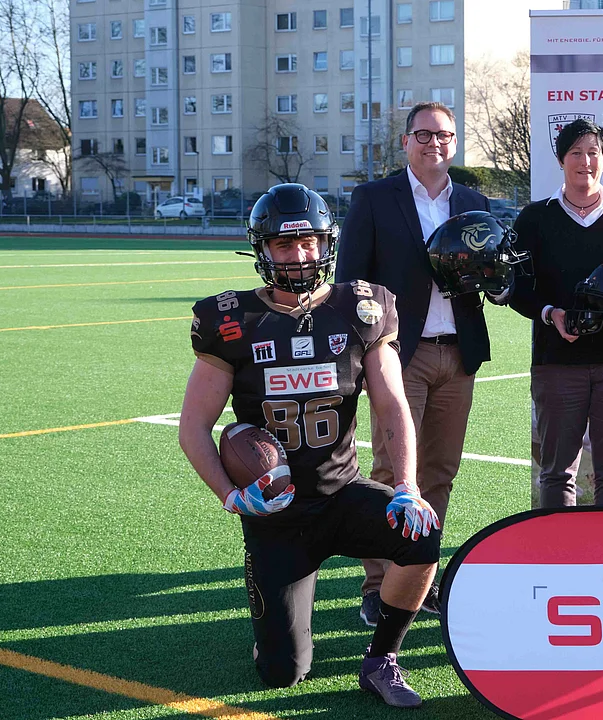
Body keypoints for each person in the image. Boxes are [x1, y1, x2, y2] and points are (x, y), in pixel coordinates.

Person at [178, 184, 441, 707]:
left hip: (340, 492)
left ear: (327, 244)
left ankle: (381, 659)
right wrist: (230, 497)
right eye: (284, 245)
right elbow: (193, 429)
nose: (300, 257)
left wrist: (407, 486)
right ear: (261, 249)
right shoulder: (230, 321)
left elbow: (391, 405)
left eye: (310, 244)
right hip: (277, 512)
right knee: (282, 674)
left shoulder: (360, 308)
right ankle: (278, 631)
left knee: (421, 535)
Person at [335, 101, 490, 624]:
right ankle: (379, 586)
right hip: (399, 355)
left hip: (459, 354)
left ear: (454, 141)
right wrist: (363, 351)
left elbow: (487, 272)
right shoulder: (375, 198)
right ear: (406, 142)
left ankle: (417, 578)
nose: (434, 144)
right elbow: (350, 280)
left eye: (444, 135)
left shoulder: (473, 200)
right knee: (389, 472)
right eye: (423, 135)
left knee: (441, 472)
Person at [508, 118, 603, 507]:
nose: (585, 161)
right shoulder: (534, 219)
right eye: (576, 152)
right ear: (562, 159)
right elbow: (516, 289)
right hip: (557, 364)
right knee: (558, 474)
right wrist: (550, 314)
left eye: (593, 152)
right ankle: (560, 562)